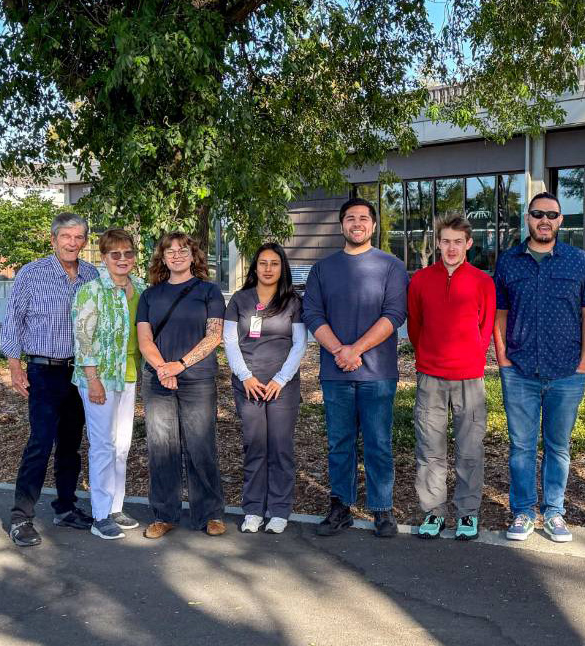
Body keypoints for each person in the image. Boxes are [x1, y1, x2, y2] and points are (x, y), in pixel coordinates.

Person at [494, 191, 585, 543]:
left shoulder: (580, 261)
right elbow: (500, 314)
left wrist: (584, 363)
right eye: (537, 213)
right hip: (520, 370)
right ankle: (524, 512)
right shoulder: (509, 261)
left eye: (552, 214)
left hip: (567, 372)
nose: (544, 220)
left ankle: (555, 512)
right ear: (528, 218)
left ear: (561, 220)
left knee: (558, 447)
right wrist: (502, 358)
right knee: (521, 447)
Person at [302, 197, 408, 538]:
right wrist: (339, 351)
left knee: (378, 442)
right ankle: (340, 506)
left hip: (377, 373)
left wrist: (356, 349)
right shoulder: (322, 269)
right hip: (336, 373)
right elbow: (313, 314)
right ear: (342, 224)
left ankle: (382, 508)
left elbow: (394, 314)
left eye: (363, 218)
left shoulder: (391, 266)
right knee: (339, 442)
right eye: (350, 218)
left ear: (373, 226)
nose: (357, 223)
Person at [0, 212, 99, 547]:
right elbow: (13, 320)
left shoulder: (91, 274)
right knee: (40, 442)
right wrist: (15, 366)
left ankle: (66, 507)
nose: (72, 243)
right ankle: (20, 517)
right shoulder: (32, 273)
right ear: (54, 239)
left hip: (80, 372)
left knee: (71, 444)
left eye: (78, 237)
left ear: (85, 242)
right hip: (43, 371)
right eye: (66, 237)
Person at [407, 214, 496, 541]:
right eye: (445, 241)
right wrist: (428, 355)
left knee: (470, 449)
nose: (452, 247)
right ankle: (433, 512)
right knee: (430, 448)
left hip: (469, 378)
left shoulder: (482, 281)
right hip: (431, 376)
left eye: (458, 242)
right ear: (438, 243)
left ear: (468, 244)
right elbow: (415, 326)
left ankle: (468, 514)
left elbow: (485, 327)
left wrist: (471, 356)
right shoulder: (420, 280)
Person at [136, 232, 227, 539]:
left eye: (182, 250)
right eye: (169, 251)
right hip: (158, 379)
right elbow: (145, 338)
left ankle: (209, 514)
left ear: (193, 255)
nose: (176, 255)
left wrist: (181, 364)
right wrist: (163, 367)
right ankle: (165, 514)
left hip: (197, 379)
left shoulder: (209, 291)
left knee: (201, 446)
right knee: (162, 448)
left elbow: (214, 335)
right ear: (162, 258)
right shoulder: (150, 296)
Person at [223, 242, 306, 535]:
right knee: (255, 446)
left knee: (280, 447)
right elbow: (230, 342)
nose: (268, 269)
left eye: (274, 263)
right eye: (263, 263)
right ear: (254, 267)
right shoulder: (239, 300)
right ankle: (254, 509)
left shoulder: (292, 301)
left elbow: (300, 344)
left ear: (282, 268)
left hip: (282, 386)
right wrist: (245, 376)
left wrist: (280, 380)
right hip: (249, 385)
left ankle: (280, 511)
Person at [71, 229, 146, 540]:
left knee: (122, 445)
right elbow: (83, 339)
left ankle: (116, 505)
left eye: (128, 253)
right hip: (98, 378)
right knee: (102, 446)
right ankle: (100, 514)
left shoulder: (141, 288)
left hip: (128, 375)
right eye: (115, 254)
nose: (122, 259)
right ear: (103, 258)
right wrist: (93, 379)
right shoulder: (91, 291)